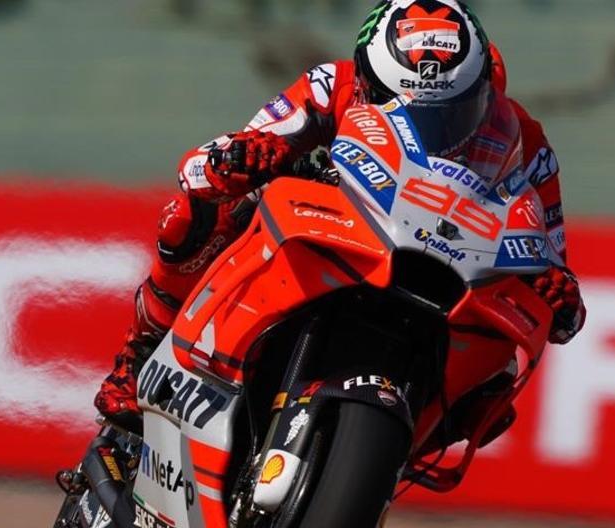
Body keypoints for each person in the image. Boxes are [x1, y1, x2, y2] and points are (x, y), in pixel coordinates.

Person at [95, 0, 585, 437]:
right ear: (369, 82)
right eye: (405, 109)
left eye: (448, 113)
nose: (428, 126)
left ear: (483, 92)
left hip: (451, 271)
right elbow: (204, 166)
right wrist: (243, 158)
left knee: (495, 390)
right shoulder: (333, 84)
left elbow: (556, 279)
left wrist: (557, 294)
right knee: (197, 215)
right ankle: (140, 355)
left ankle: (380, 483)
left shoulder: (527, 143)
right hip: (338, 229)